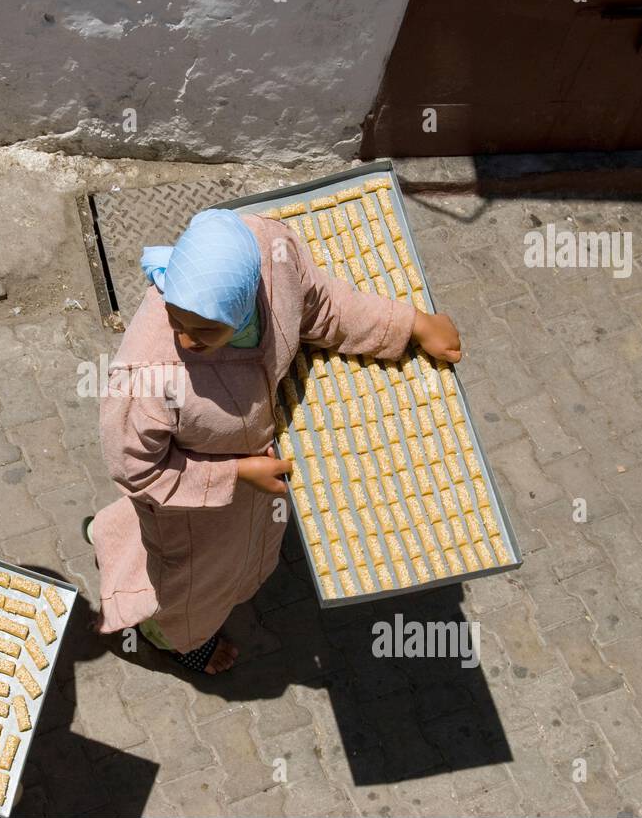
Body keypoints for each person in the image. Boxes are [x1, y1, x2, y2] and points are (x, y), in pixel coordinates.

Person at [86, 209, 462, 674]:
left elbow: (321, 306)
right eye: (175, 317)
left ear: (246, 300)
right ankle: (174, 636)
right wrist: (236, 472)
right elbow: (135, 469)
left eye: (205, 329)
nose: (184, 337)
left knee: (238, 552)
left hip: (248, 487)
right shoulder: (146, 378)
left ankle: (113, 538)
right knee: (193, 580)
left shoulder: (269, 256)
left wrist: (409, 325)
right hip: (189, 503)